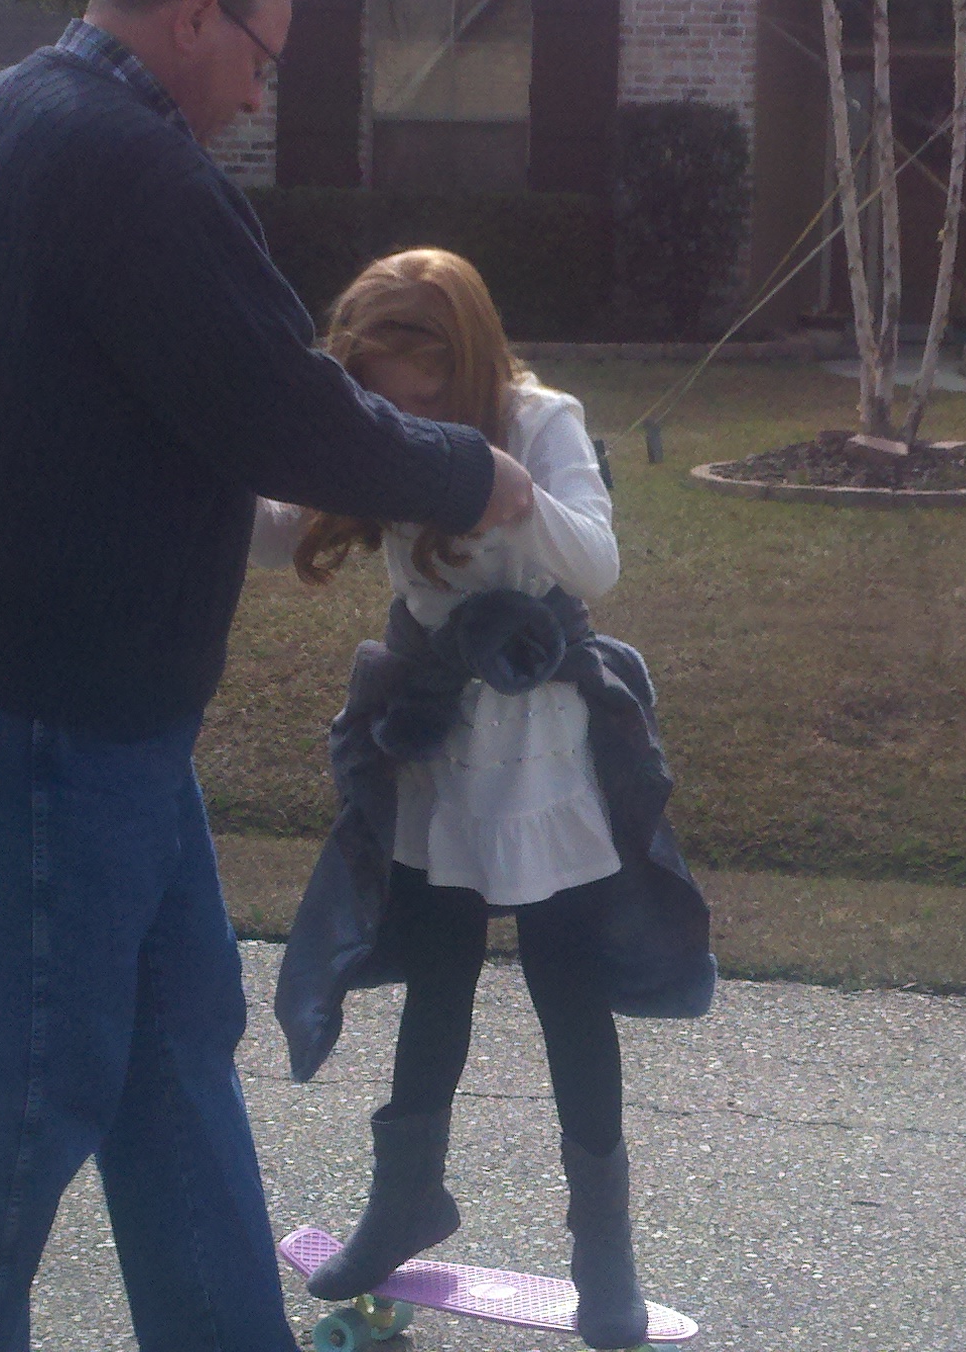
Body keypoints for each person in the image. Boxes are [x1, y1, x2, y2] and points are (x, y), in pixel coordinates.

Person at [0, 0, 536, 1352]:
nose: (258, 93)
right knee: (21, 1117)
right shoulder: (133, 164)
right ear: (193, 15)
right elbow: (281, 411)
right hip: (49, 705)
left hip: (45, 690)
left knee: (173, 1051)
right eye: (260, 56)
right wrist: (467, 470)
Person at [255, 250, 714, 1351]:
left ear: (460, 357)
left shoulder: (541, 419)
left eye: (418, 390)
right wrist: (189, 466)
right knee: (437, 981)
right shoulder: (381, 430)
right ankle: (407, 1201)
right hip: (441, 746)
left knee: (569, 993)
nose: (403, 413)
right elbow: (279, 531)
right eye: (381, 393)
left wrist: (508, 488)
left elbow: (595, 562)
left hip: (545, 752)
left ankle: (605, 1255)